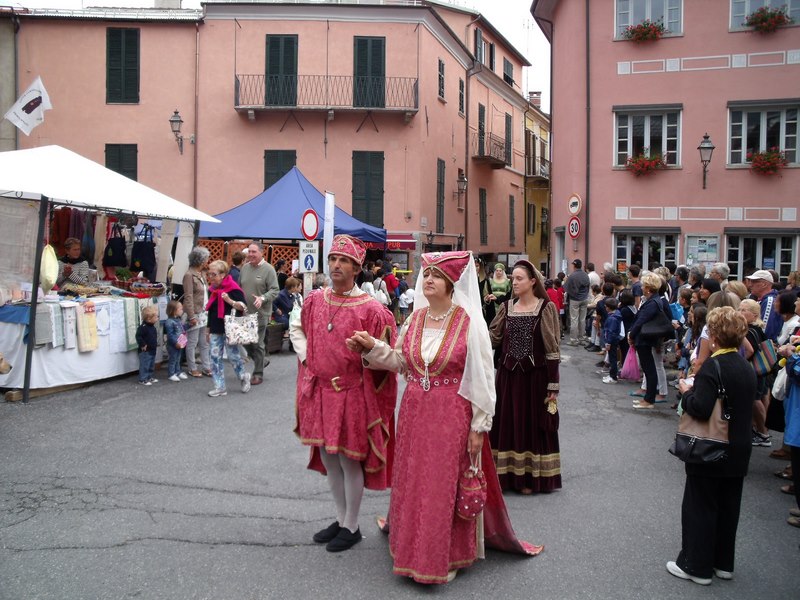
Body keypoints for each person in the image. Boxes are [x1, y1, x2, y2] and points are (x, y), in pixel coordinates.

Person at [348, 251, 542, 584]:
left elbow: (482, 376)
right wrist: (370, 349)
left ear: (452, 283)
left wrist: (479, 425)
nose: (428, 281)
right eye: (426, 275)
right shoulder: (415, 319)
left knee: (442, 484)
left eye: (436, 276)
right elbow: (399, 362)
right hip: (413, 412)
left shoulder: (470, 323)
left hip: (452, 412)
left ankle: (443, 556)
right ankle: (410, 548)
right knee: (413, 479)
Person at [290, 234, 398, 553]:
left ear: (356, 268)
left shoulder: (374, 310)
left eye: (344, 261)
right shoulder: (314, 300)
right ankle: (340, 518)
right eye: (333, 260)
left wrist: (367, 352)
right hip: (321, 393)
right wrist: (308, 358)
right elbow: (298, 329)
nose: (336, 265)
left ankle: (351, 525)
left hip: (352, 395)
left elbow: (388, 356)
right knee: (328, 457)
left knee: (350, 462)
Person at [668, 307, 756, 586]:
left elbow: (701, 408)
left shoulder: (712, 368)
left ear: (715, 336)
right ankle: (723, 563)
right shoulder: (745, 366)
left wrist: (686, 392)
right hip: (740, 448)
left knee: (700, 507)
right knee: (729, 507)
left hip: (711, 447)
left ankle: (697, 566)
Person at [489, 259, 561, 494]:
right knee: (507, 423)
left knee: (530, 424)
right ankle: (507, 477)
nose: (514, 282)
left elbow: (552, 349)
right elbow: (492, 339)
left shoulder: (545, 308)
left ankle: (529, 478)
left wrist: (553, 385)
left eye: (519, 278)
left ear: (533, 282)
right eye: (512, 278)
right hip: (508, 378)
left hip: (535, 379)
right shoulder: (506, 307)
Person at [204, 260, 251, 397]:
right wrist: (208, 329)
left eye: (214, 274)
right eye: (209, 274)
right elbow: (211, 310)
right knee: (214, 357)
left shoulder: (233, 288)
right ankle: (220, 387)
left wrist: (229, 301)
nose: (211, 278)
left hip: (231, 327)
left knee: (233, 356)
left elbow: (243, 307)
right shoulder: (212, 289)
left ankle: (243, 376)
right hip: (215, 327)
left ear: (223, 274)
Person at [628, 272, 673, 409]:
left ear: (648, 288)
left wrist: (631, 334)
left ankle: (649, 400)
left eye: (643, 286)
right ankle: (648, 398)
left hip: (645, 338)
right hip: (646, 337)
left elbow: (641, 320)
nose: (641, 287)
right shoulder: (654, 300)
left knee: (650, 369)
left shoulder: (652, 302)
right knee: (649, 369)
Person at [239, 242, 279, 386]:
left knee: (256, 342)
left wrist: (262, 298)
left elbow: (275, 290)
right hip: (245, 313)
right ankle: (262, 361)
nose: (250, 254)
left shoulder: (269, 270)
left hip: (261, 313)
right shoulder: (245, 268)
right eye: (249, 251)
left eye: (253, 252)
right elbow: (239, 287)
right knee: (244, 342)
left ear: (261, 252)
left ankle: (258, 374)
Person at [739, 299, 771, 446]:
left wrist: (739, 363)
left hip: (755, 371)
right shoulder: (756, 328)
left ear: (754, 314)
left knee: (755, 400)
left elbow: (750, 350)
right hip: (760, 371)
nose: (740, 313)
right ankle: (760, 430)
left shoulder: (750, 330)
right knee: (759, 398)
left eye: (744, 310)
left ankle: (763, 433)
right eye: (739, 309)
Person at [182, 246, 212, 378]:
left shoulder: (202, 274)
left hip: (204, 311)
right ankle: (192, 367)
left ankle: (206, 366)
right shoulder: (189, 275)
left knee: (204, 341)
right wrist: (191, 315)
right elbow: (188, 296)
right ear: (200, 260)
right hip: (195, 312)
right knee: (192, 342)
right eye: (206, 259)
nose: (207, 261)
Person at [747, 270, 782, 341]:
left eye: (754, 281)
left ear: (764, 284)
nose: (750, 284)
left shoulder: (769, 301)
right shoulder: (763, 300)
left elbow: (764, 328)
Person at [565, 258, 590, 345]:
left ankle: (573, 340)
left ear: (574, 266)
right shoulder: (585, 275)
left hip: (575, 299)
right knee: (582, 320)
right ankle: (582, 338)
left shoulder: (572, 276)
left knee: (574, 319)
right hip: (584, 298)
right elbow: (588, 287)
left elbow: (566, 288)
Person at [164, 300, 188, 382]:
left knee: (178, 358)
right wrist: (176, 342)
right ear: (174, 311)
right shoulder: (169, 322)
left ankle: (178, 372)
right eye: (180, 309)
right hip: (173, 344)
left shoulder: (178, 319)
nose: (182, 310)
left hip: (180, 342)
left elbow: (182, 329)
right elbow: (170, 335)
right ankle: (171, 374)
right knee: (173, 359)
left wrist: (189, 325)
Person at [136, 305, 159, 386]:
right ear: (149, 319)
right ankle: (143, 379)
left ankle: (149, 377)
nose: (157, 318)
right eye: (156, 317)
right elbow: (138, 336)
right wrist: (143, 344)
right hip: (145, 351)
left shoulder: (152, 327)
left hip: (152, 350)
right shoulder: (143, 327)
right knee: (145, 365)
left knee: (151, 365)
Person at [602, 297, 624, 384]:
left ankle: (613, 377)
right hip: (615, 339)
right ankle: (612, 374)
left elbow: (610, 331)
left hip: (612, 340)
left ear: (608, 307)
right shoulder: (616, 315)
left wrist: (608, 342)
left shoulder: (612, 318)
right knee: (613, 358)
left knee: (612, 359)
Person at [476, 256, 495, 326]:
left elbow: (485, 296)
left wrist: (486, 299)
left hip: (480, 311)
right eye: (474, 266)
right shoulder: (466, 281)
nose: (476, 268)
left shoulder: (484, 281)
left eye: (477, 266)